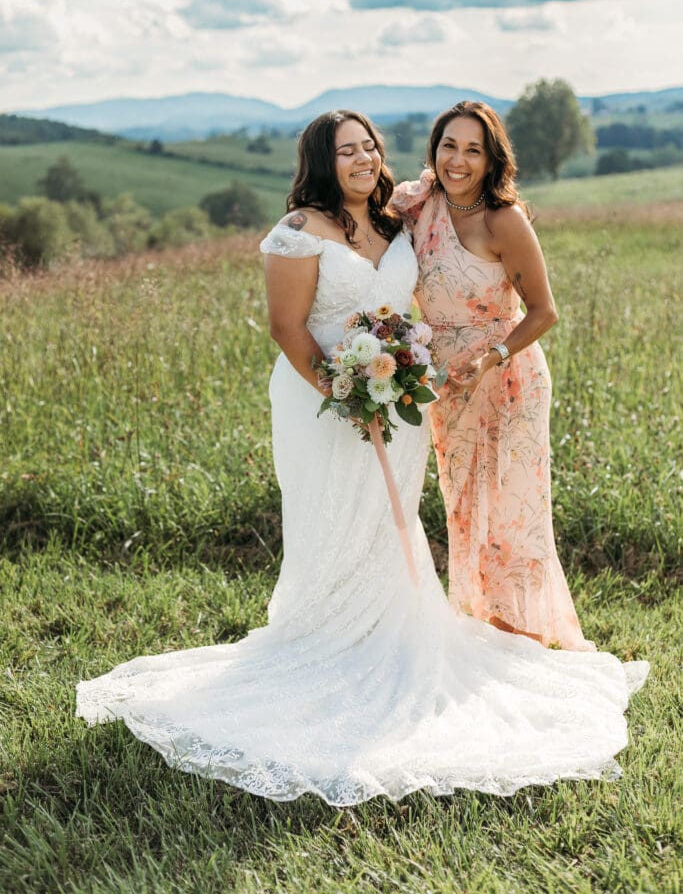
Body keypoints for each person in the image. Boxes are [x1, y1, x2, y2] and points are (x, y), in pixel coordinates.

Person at [76, 110, 647, 806]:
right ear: (322, 160)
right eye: (346, 150)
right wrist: (345, 394)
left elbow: (471, 289)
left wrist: (389, 385)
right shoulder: (305, 229)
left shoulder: (395, 217)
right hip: (327, 397)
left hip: (401, 396)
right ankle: (328, 633)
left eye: (369, 146)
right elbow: (287, 327)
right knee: (332, 514)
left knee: (393, 517)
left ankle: (402, 626)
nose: (362, 158)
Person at [390, 101, 593, 650]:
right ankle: (482, 631)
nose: (458, 160)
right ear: (434, 151)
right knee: (463, 508)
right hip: (446, 386)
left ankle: (522, 637)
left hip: (508, 378)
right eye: (449, 146)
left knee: (511, 513)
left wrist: (491, 358)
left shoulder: (505, 219)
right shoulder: (416, 205)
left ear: (490, 158)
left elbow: (544, 311)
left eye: (472, 149)